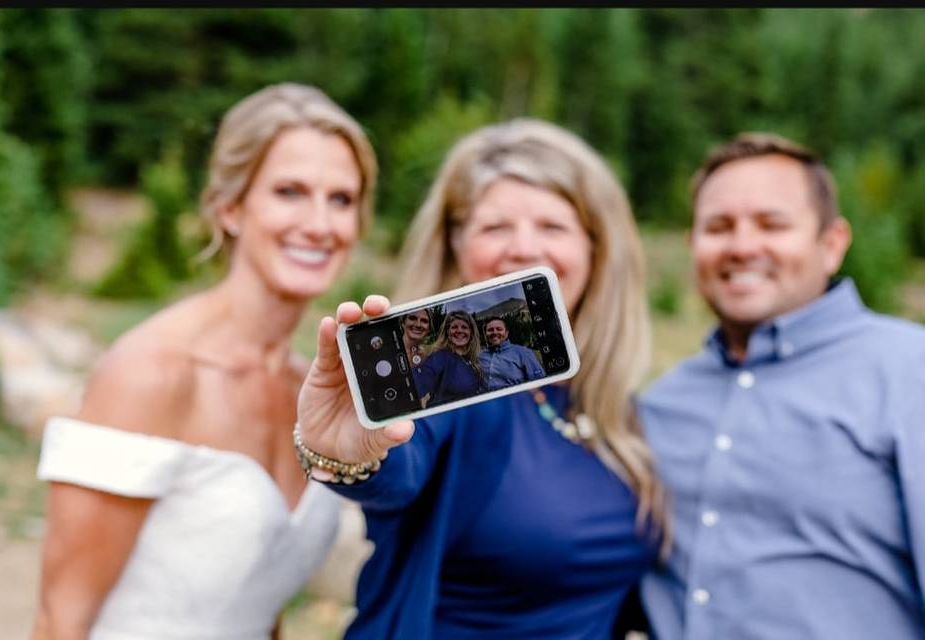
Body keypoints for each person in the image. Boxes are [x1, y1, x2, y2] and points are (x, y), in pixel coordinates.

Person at [292, 118, 668, 639]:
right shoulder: (448, 382)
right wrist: (354, 454)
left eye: (553, 227)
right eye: (495, 227)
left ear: (597, 251)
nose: (523, 248)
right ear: (456, 246)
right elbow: (399, 465)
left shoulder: (613, 409)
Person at [31, 82, 378, 640]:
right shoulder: (149, 373)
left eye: (341, 199)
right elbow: (59, 622)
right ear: (230, 207)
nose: (320, 223)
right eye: (290, 191)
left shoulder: (311, 391)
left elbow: (257, 603)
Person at [638, 132, 925, 639]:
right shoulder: (657, 406)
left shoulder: (909, 371)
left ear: (831, 244)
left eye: (772, 224)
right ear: (693, 246)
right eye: (719, 227)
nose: (743, 247)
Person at [413, 309, 485, 407]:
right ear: (448, 332)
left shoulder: (473, 361)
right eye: (454, 327)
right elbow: (418, 386)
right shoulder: (440, 357)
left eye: (464, 327)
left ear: (471, 332)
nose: (459, 331)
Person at [478, 316, 545, 390]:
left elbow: (540, 383)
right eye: (490, 330)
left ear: (506, 333)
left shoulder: (523, 352)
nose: (495, 332)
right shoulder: (480, 356)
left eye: (499, 329)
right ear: (485, 334)